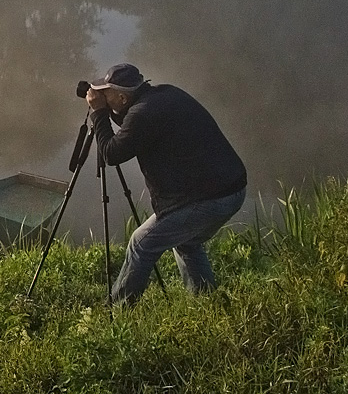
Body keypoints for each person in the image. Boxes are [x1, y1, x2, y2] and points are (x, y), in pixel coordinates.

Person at [85, 63, 246, 305]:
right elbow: (134, 125)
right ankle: (207, 302)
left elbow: (112, 153)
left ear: (122, 97)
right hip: (231, 188)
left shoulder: (142, 114)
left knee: (141, 244)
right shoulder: (164, 95)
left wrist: (98, 114)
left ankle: (118, 312)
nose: (102, 98)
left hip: (210, 198)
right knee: (187, 241)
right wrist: (106, 110)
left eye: (106, 94)